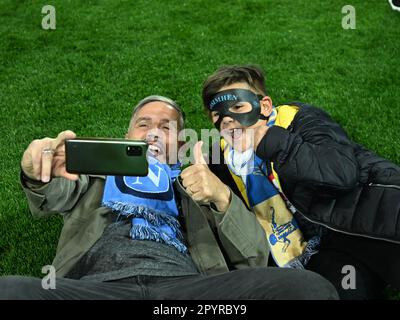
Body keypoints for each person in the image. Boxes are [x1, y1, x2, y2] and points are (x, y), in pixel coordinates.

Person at [0, 95, 337, 300]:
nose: (154, 131)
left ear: (181, 144)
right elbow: (55, 195)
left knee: (308, 290)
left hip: (186, 294)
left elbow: (254, 257)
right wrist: (36, 173)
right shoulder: (94, 174)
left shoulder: (202, 181)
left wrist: (222, 198)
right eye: (143, 124)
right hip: (94, 287)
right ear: (127, 136)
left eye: (167, 126)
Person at [201, 65, 400, 300]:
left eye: (238, 107)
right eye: (219, 115)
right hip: (322, 249)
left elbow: (342, 173)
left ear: (264, 106)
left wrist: (270, 142)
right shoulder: (223, 158)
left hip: (372, 214)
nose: (230, 121)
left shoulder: (303, 119)